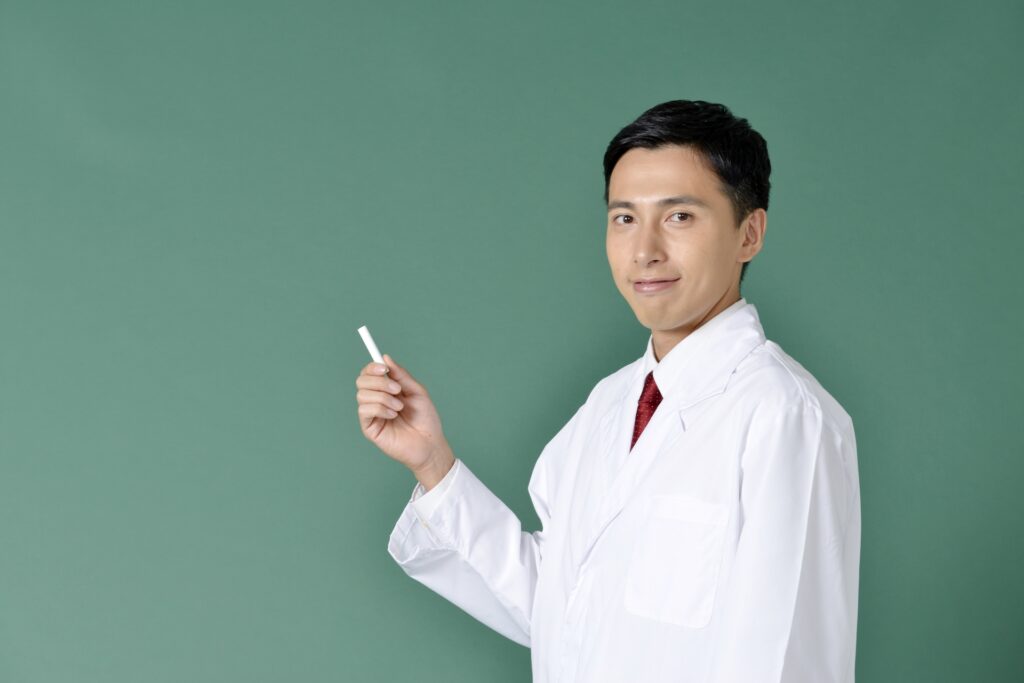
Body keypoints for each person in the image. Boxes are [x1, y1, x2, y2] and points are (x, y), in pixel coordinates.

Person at [355, 99, 861, 683]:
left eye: (679, 216)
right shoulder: (609, 404)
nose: (644, 250)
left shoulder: (784, 415)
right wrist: (433, 465)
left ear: (749, 233)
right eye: (624, 218)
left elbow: (785, 659)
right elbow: (561, 609)